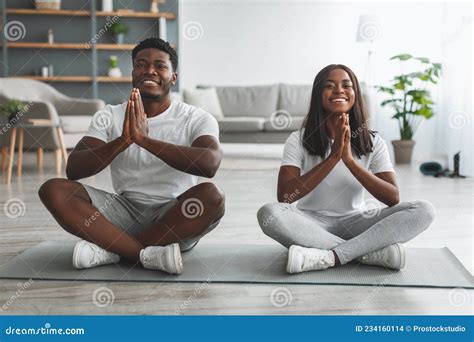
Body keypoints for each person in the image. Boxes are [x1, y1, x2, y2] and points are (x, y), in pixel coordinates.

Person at [39, 38, 225, 275]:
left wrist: (145, 141)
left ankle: (113, 250)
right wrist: (123, 141)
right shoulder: (109, 115)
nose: (150, 71)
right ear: (133, 72)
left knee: (212, 197)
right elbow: (74, 170)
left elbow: (209, 165)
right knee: (53, 190)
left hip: (175, 216)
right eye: (141, 64)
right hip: (122, 211)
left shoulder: (197, 118)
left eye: (160, 65)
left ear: (173, 77)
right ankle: (143, 254)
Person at [257, 64, 435, 274]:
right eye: (329, 86)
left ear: (355, 94)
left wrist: (349, 160)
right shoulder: (298, 139)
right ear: (318, 95)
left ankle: (329, 256)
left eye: (346, 85)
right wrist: (333, 158)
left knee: (424, 210)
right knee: (269, 213)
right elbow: (286, 197)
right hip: (310, 225)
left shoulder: (373, 141)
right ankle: (367, 252)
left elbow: (392, 198)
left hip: (358, 223)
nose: (339, 90)